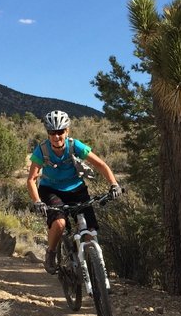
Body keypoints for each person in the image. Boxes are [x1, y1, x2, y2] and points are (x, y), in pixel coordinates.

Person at [26, 110, 123, 274]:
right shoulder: (42, 150)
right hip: (51, 190)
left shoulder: (74, 145)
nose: (56, 136)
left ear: (67, 131)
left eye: (60, 132)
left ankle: (97, 276)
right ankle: (51, 253)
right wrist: (37, 201)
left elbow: (100, 164)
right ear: (48, 133)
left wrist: (114, 184)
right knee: (60, 223)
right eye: (52, 133)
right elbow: (31, 179)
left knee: (90, 231)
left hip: (76, 189)